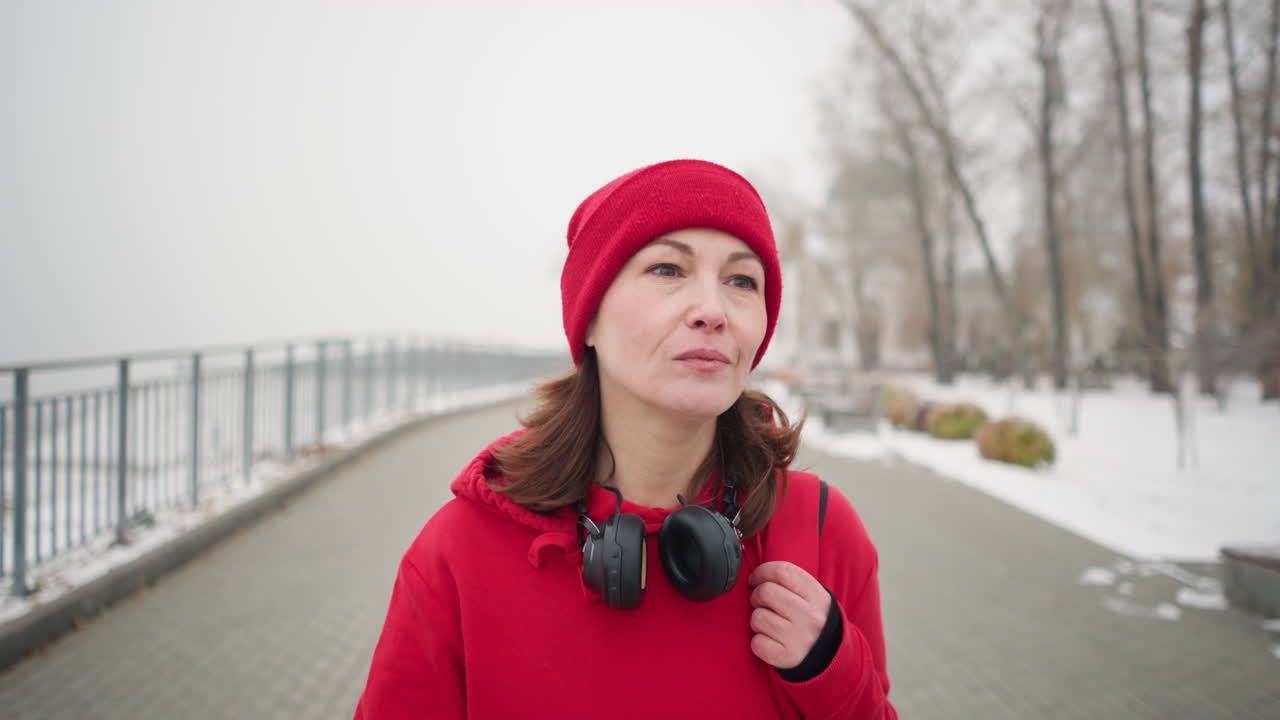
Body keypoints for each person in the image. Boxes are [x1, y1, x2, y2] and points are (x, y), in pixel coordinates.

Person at [353, 159, 896, 719]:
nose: (712, 311)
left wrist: (835, 673)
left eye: (741, 280)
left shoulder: (821, 530)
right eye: (667, 270)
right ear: (588, 318)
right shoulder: (459, 553)